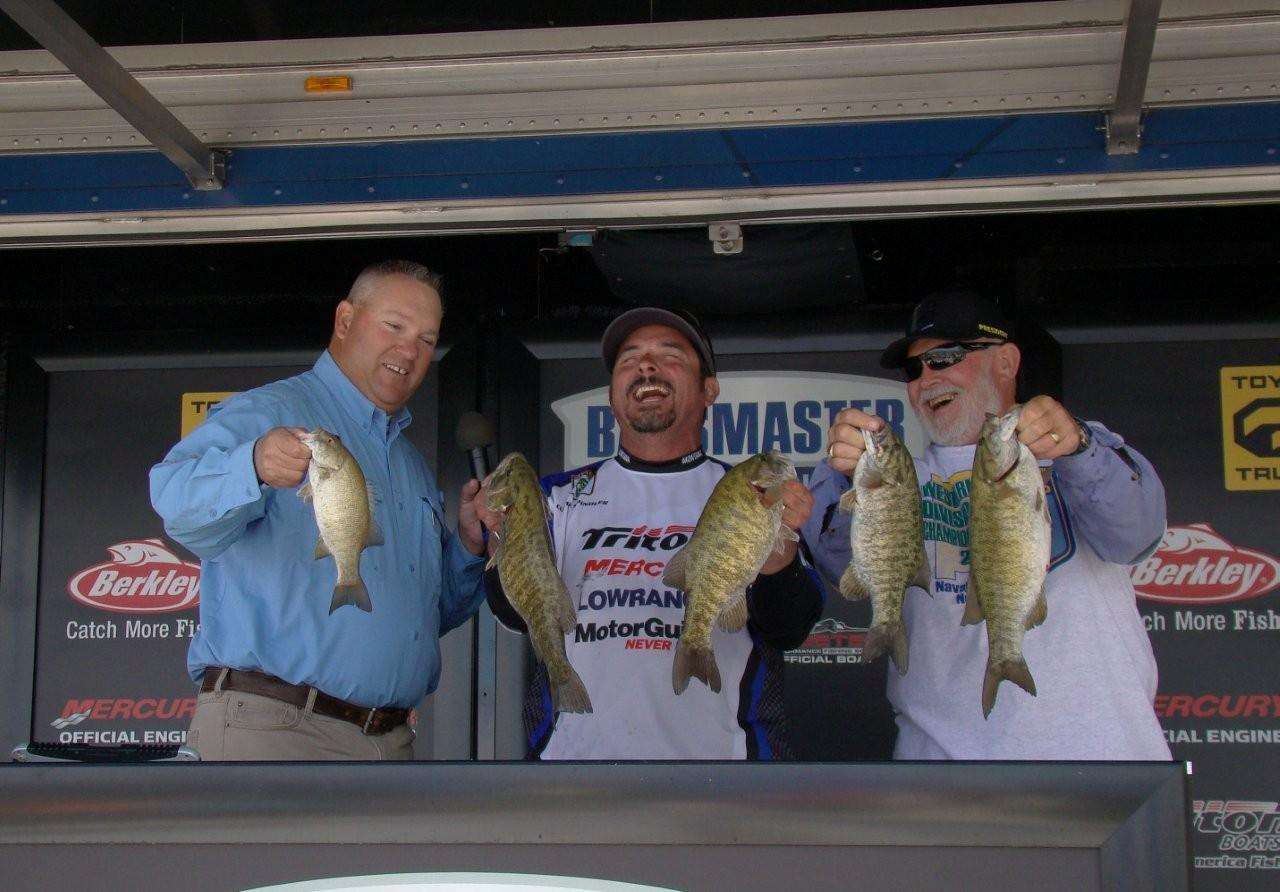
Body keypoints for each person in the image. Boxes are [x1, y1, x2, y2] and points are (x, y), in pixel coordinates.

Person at [804, 290, 1171, 760]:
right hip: (942, 768)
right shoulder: (895, 476)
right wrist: (842, 475)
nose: (926, 379)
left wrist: (1079, 447)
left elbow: (1135, 537)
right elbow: (838, 565)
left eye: (944, 358)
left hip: (1097, 759)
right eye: (914, 370)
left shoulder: (1076, 447)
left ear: (1006, 362)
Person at [149, 260, 488, 760]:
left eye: (426, 338)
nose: (409, 350)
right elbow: (177, 505)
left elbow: (424, 613)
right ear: (345, 320)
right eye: (394, 326)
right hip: (277, 731)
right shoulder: (270, 412)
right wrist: (253, 464)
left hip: (390, 743)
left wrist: (468, 547)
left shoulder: (409, 463)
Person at [474, 307, 824, 759]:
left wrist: (777, 557)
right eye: (630, 358)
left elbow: (788, 628)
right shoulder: (555, 496)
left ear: (709, 390)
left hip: (723, 774)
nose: (646, 366)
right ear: (611, 395)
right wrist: (499, 535)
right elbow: (516, 613)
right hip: (574, 772)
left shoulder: (749, 492)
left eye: (670, 355)